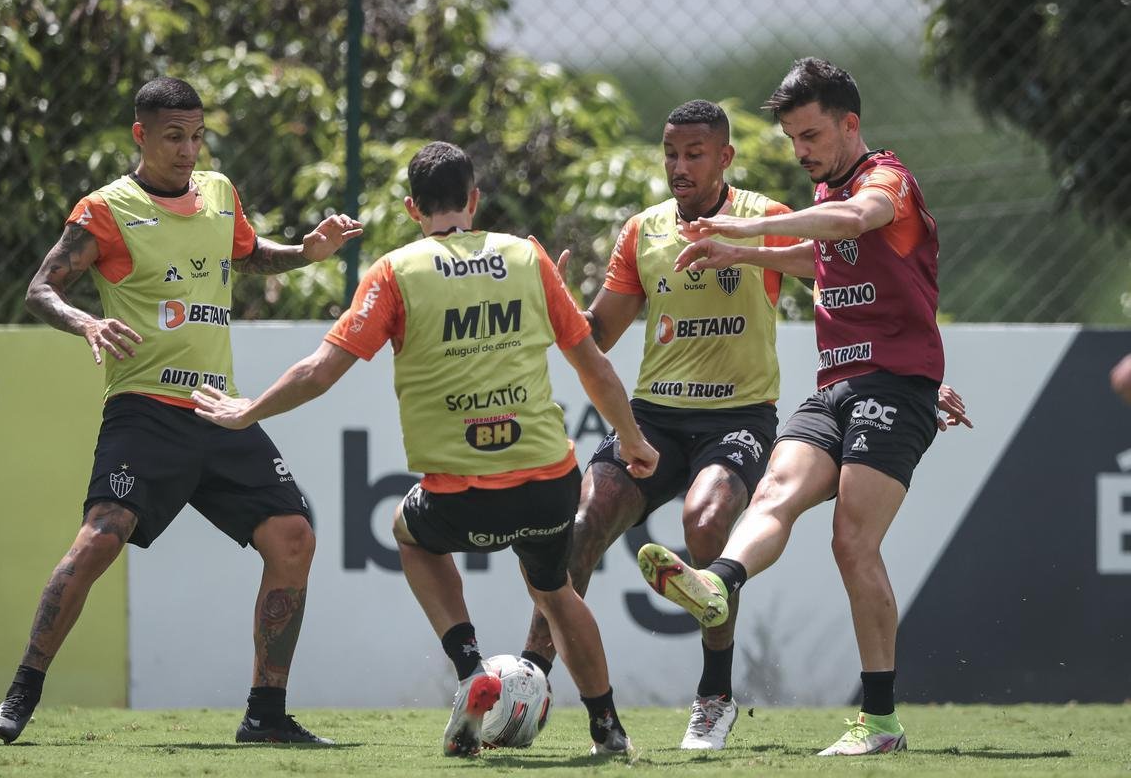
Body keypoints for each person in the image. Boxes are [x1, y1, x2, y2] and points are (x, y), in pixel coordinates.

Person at [192, 141, 659, 758]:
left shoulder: (395, 272)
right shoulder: (526, 256)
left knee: (409, 532)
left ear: (414, 208)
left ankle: (471, 669)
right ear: (474, 199)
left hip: (463, 495)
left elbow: (320, 371)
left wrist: (248, 409)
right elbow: (593, 367)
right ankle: (608, 729)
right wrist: (631, 438)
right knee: (554, 592)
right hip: (549, 481)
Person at [0, 77, 362, 746]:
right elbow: (41, 288)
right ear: (141, 135)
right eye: (172, 137)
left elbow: (246, 257)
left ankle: (265, 714)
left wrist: (304, 254)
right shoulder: (105, 210)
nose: (188, 150)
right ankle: (22, 692)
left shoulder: (218, 193)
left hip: (218, 411)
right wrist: (86, 323)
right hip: (145, 411)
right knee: (101, 537)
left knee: (293, 536)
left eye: (196, 136)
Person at [636, 58, 972, 756]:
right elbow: (820, 260)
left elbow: (852, 221)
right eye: (792, 138)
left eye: (811, 135)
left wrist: (750, 233)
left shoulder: (885, 181)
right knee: (773, 493)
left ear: (849, 124)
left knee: (851, 542)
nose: (800, 151)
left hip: (893, 387)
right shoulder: (831, 190)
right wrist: (736, 249)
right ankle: (716, 582)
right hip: (835, 387)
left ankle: (878, 722)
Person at [519, 99, 802, 751]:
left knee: (703, 524)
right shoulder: (642, 232)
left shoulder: (766, 220)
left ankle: (713, 698)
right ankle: (531, 678)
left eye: (693, 154)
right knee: (584, 522)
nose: (678, 166)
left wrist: (746, 247)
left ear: (725, 157)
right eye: (670, 153)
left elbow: (829, 272)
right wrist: (553, 309)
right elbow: (598, 335)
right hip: (653, 420)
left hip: (736, 416)